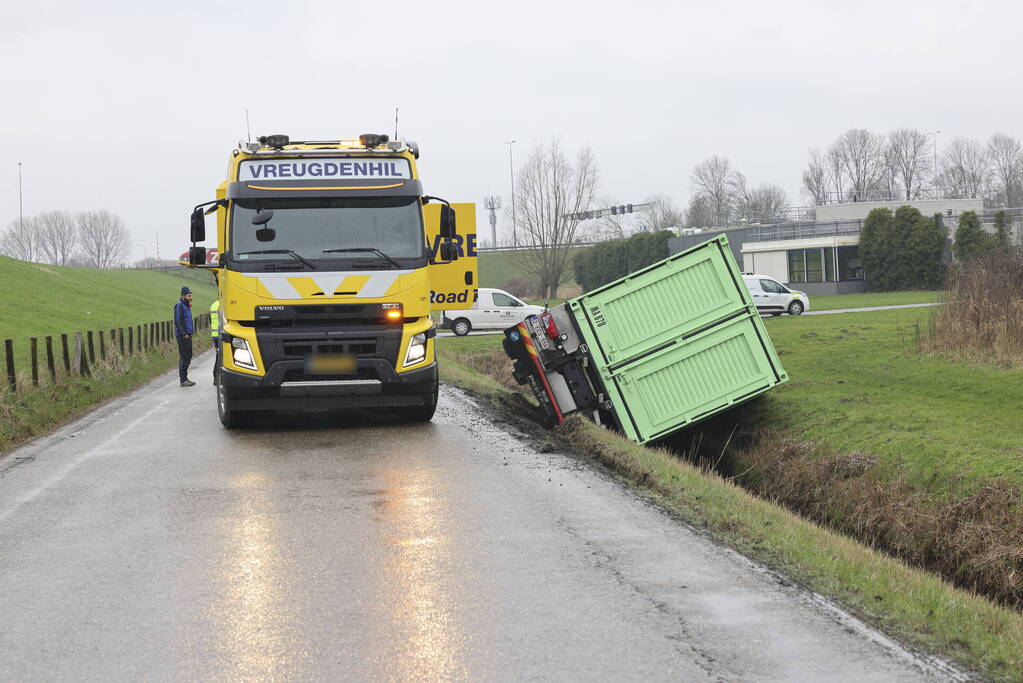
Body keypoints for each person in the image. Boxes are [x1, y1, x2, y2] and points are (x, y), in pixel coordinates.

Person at [174, 286, 195, 387]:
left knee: (189, 355)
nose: (190, 297)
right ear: (183, 296)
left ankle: (185, 378)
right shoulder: (180, 305)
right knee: (184, 356)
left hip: (188, 335)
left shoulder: (186, 305)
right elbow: (178, 321)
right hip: (183, 336)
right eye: (188, 295)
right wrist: (184, 333)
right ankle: (183, 380)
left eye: (191, 295)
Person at [210, 298, 220, 384]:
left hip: (215, 335)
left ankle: (216, 377)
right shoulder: (222, 305)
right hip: (221, 333)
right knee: (221, 357)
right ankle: (217, 377)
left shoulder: (213, 305)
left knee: (218, 355)